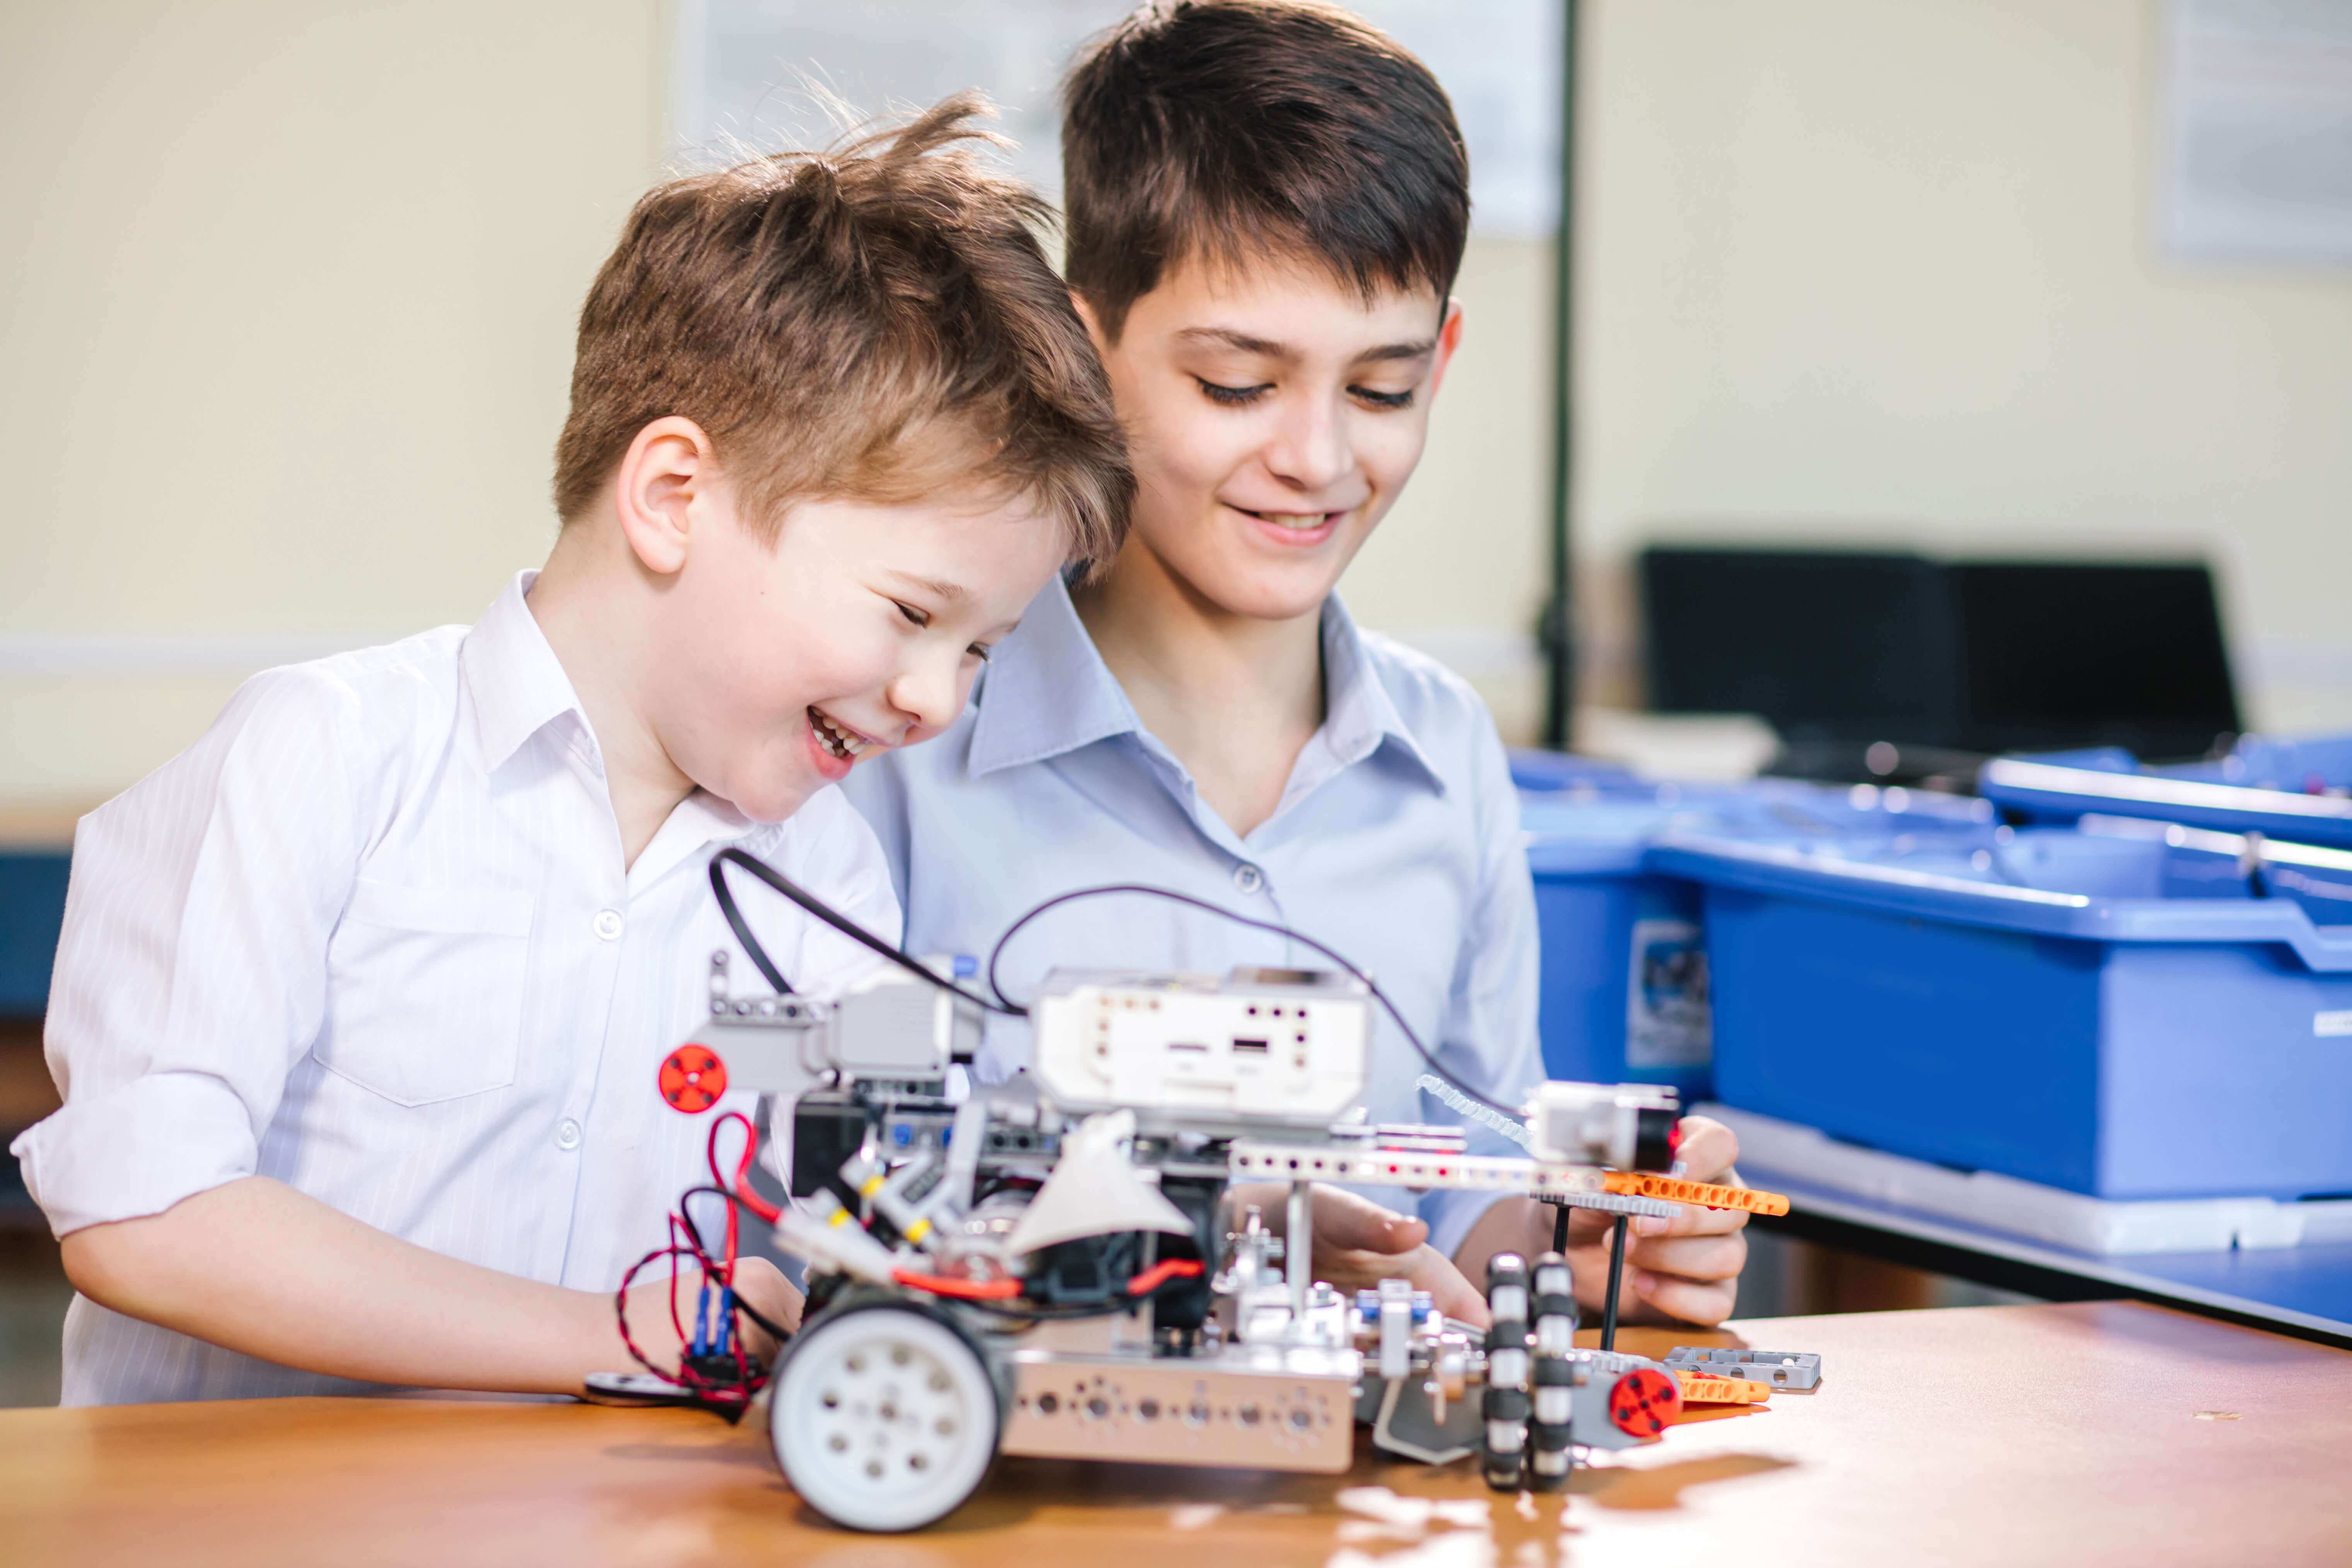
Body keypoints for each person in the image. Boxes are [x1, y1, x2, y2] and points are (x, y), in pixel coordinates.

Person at [12, 98, 1131, 1405]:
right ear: (672, 498)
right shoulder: (322, 760)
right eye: (912, 615)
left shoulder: (828, 878)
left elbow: (876, 1191)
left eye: (982, 650)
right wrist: (632, 1335)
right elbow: (147, 1214)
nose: (939, 701)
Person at [847, 2, 1748, 1328]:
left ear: (1440, 360)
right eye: (1235, 385)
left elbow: (1473, 1203)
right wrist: (1216, 1232)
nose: (1318, 461)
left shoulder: (1444, 759)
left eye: (1379, 389)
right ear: (1084, 352)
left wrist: (1587, 1237)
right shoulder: (905, 734)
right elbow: (815, 1201)